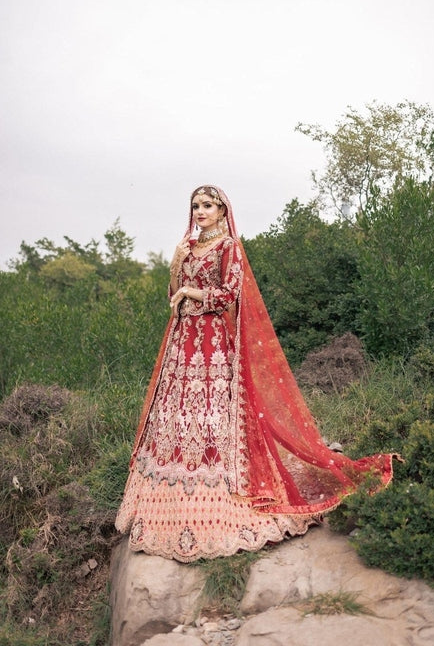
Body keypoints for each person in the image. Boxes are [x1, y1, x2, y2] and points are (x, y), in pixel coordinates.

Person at [115, 185, 395, 562]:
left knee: (213, 415)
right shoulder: (188, 247)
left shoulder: (228, 246)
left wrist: (192, 294)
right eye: (195, 205)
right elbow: (172, 296)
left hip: (213, 342)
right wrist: (175, 264)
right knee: (177, 417)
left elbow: (229, 294)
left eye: (208, 205)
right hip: (182, 344)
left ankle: (223, 502)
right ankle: (164, 509)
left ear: (222, 210)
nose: (200, 211)